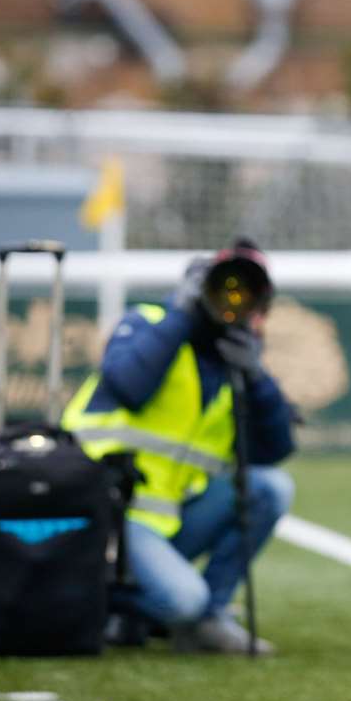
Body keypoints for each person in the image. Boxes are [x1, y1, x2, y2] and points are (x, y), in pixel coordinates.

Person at [61, 238, 296, 654]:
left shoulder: (235, 362)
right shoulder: (150, 322)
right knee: (182, 599)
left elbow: (272, 450)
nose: (232, 298)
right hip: (109, 510)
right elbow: (129, 387)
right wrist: (183, 313)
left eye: (246, 292)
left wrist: (257, 377)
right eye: (223, 285)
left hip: (168, 517)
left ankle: (207, 618)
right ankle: (94, 598)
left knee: (271, 487)